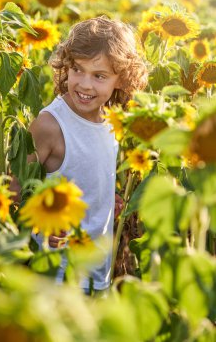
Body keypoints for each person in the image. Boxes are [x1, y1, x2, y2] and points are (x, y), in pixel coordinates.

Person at [24, 16, 148, 293]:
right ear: (65, 66)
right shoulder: (51, 125)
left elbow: (87, 173)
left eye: (99, 75)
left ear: (122, 79)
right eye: (77, 69)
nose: (84, 84)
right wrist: (41, 225)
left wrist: (105, 197)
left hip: (97, 271)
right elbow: (17, 189)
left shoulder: (110, 122)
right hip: (56, 276)